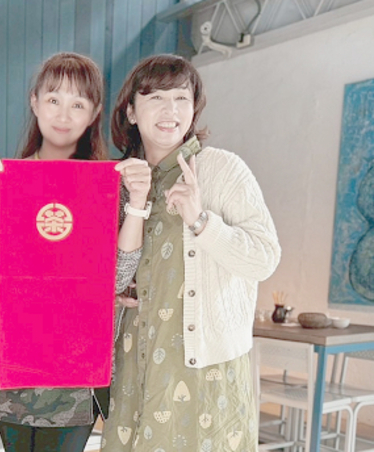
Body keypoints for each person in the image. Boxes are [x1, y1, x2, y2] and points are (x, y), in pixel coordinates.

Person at [0, 52, 149, 452]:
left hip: (77, 364)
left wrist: (137, 203)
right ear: (35, 102)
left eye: (78, 103)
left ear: (94, 113)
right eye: (53, 99)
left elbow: (116, 279)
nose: (63, 114)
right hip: (8, 356)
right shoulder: (3, 181)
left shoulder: (109, 186)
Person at [101, 54, 281, 451]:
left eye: (181, 99)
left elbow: (264, 258)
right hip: (133, 363)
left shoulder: (222, 169)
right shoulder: (122, 180)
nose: (170, 111)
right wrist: (114, 292)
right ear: (130, 111)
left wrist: (201, 221)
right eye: (156, 98)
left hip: (202, 372)